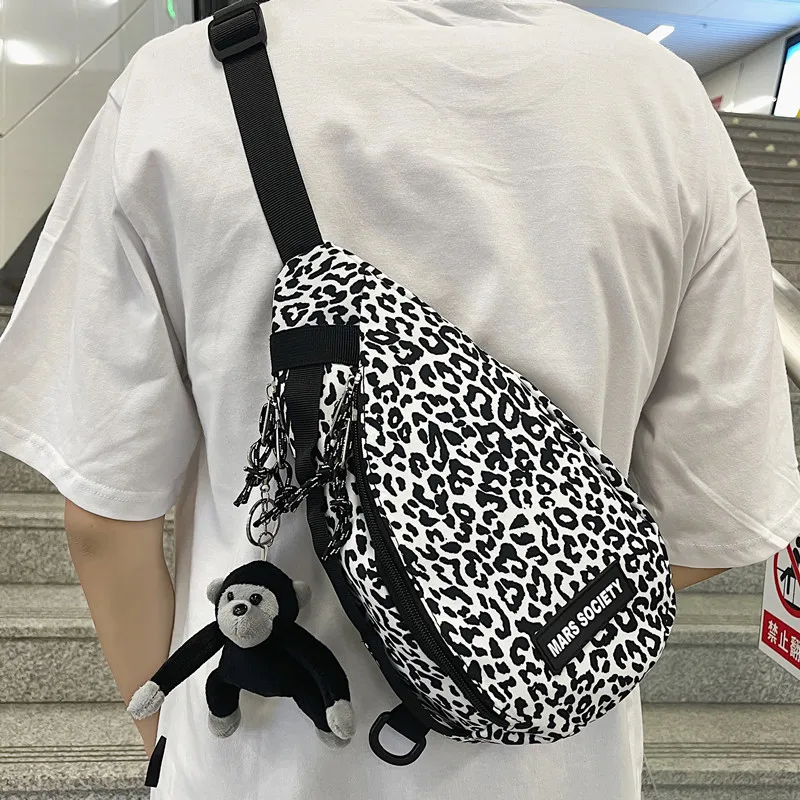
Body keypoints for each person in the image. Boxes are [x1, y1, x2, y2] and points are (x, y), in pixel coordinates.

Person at [1, 0, 799, 798]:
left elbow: (105, 524)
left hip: (253, 764)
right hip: (564, 769)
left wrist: (168, 745)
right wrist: (499, 609)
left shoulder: (177, 86)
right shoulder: (663, 103)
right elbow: (711, 523)